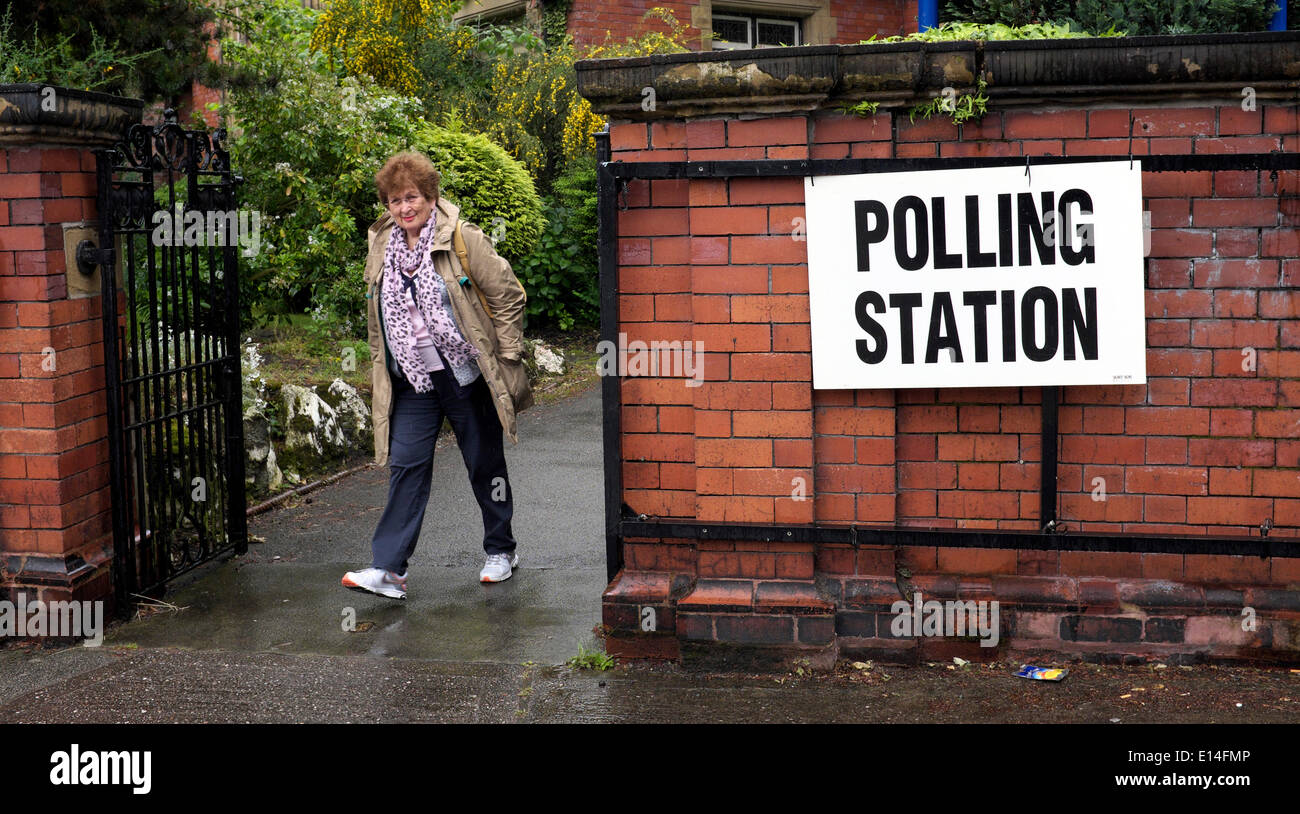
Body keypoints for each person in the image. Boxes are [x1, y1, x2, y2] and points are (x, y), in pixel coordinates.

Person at [342, 151, 531, 599]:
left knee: (484, 464)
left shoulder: (461, 238)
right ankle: (389, 569)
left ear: (430, 196)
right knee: (406, 465)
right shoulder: (381, 245)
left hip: (464, 372)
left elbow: (508, 295)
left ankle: (501, 550)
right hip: (412, 379)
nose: (404, 208)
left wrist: (505, 355)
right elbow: (377, 316)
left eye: (412, 197)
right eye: (394, 201)